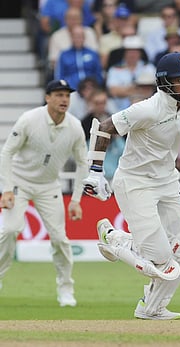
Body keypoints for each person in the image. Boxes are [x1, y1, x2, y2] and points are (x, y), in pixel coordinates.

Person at [81, 52, 180, 320]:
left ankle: (151, 308)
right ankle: (116, 238)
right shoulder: (147, 109)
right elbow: (105, 127)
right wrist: (96, 171)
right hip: (135, 182)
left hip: (168, 180)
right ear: (165, 82)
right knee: (159, 259)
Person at [0, 79, 88, 306]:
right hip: (20, 182)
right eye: (58, 95)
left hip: (49, 186)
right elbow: (7, 152)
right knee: (9, 230)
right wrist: (7, 189)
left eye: (67, 95)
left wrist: (76, 200)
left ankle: (66, 290)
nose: (64, 100)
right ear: (47, 97)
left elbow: (82, 164)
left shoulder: (75, 126)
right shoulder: (29, 120)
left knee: (60, 239)